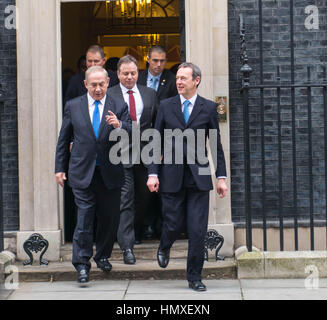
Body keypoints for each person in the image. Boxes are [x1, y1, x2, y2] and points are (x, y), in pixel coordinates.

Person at [147, 62, 228, 292]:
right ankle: (165, 245)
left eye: (184, 78)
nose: (179, 82)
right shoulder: (166, 106)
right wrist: (153, 173)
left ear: (196, 81)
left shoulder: (209, 108)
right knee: (172, 224)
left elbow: (215, 146)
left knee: (197, 230)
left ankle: (194, 277)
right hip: (171, 174)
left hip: (199, 175)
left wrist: (221, 177)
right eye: (178, 78)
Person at [55, 66, 132, 284]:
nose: (98, 89)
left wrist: (120, 125)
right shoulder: (73, 106)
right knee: (84, 217)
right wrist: (59, 168)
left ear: (108, 82)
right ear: (86, 84)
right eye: (93, 85)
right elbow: (64, 139)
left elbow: (131, 133)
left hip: (110, 171)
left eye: (102, 84)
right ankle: (81, 264)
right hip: (82, 171)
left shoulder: (118, 104)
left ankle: (102, 256)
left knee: (109, 219)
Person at [107, 55, 157, 264]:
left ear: (139, 73)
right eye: (125, 73)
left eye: (133, 73)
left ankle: (135, 230)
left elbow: (156, 123)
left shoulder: (150, 94)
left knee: (145, 196)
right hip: (119, 153)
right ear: (118, 74)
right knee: (125, 199)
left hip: (145, 152)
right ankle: (127, 247)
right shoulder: (109, 95)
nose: (129, 77)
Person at [138, 45, 178, 241]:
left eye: (162, 61)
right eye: (155, 60)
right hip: (140, 140)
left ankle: (162, 228)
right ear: (147, 59)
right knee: (143, 188)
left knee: (163, 187)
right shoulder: (138, 77)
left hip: (163, 139)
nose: (159, 64)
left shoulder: (171, 80)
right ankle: (144, 226)